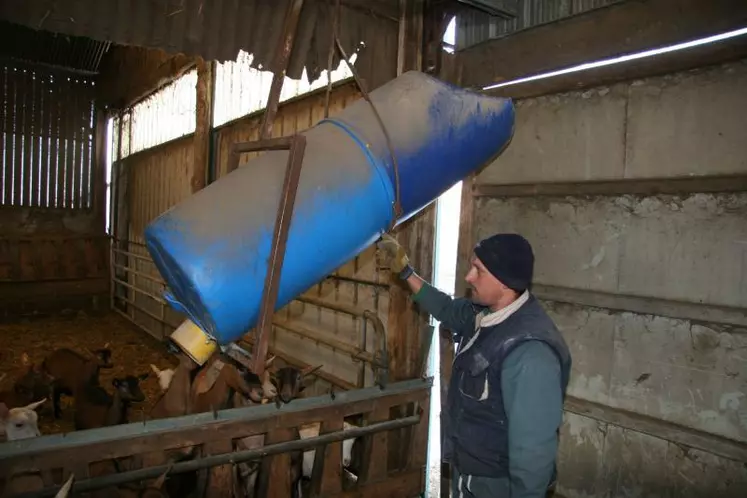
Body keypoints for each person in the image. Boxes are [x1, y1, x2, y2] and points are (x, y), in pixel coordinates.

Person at [377, 232, 571, 498]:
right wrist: (406, 271)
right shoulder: (486, 314)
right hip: (468, 474)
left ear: (504, 281)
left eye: (478, 270)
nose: (469, 277)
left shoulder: (530, 354)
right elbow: (445, 308)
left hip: (496, 485)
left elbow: (533, 454)